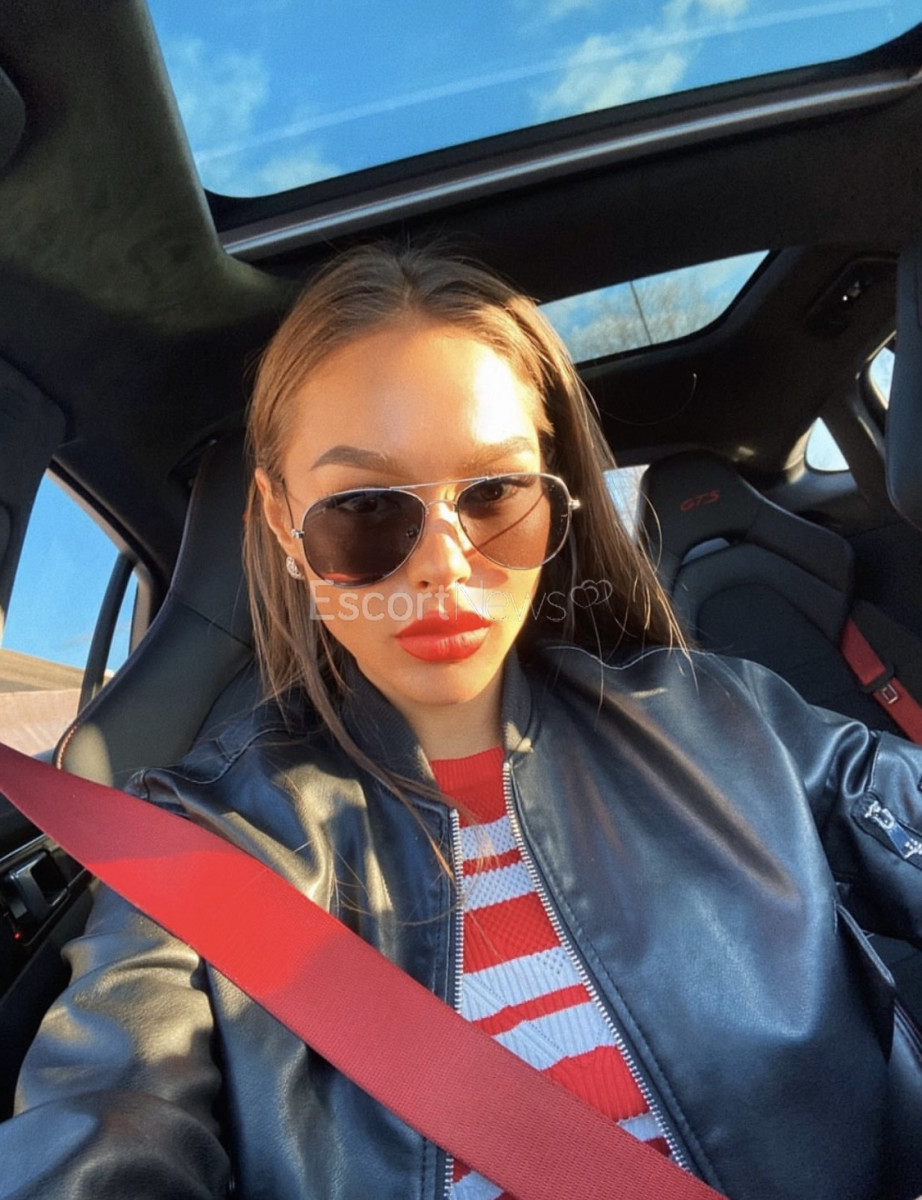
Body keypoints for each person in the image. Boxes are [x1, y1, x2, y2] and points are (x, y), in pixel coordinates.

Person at [2, 242, 922, 1200]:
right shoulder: (198, 845)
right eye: (365, 508)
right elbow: (107, 1130)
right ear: (281, 522)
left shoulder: (721, 714)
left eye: (494, 494)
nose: (444, 565)